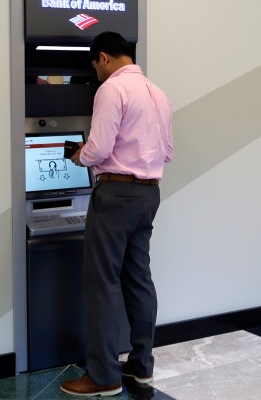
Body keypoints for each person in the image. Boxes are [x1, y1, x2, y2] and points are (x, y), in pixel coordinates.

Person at [60, 31, 173, 397]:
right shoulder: (158, 92)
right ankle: (141, 366)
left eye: (95, 65)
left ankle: (104, 376)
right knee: (138, 280)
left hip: (115, 195)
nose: (97, 73)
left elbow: (100, 147)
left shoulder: (111, 89)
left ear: (104, 57)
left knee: (103, 283)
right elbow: (167, 151)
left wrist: (82, 155)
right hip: (148, 194)